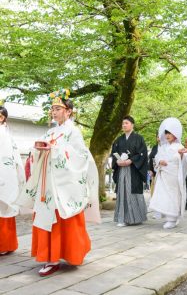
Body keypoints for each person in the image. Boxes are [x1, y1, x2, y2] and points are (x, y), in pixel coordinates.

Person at [17, 90, 100, 276]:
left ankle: (68, 254)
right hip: (48, 183)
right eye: (52, 109)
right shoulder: (51, 131)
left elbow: (80, 157)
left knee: (64, 217)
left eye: (58, 109)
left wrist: (56, 151)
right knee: (48, 216)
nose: (54, 112)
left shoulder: (74, 132)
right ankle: (51, 257)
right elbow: (43, 152)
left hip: (63, 184)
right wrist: (38, 150)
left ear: (68, 111)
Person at [149, 118, 186, 229]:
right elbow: (156, 158)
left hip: (173, 175)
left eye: (170, 133)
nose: (167, 135)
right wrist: (160, 161)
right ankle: (166, 216)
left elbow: (184, 161)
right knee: (164, 195)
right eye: (166, 133)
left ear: (175, 134)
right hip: (163, 174)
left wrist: (180, 155)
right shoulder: (162, 147)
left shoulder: (179, 147)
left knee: (173, 196)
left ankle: (172, 218)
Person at [112, 116, 148, 227]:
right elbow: (114, 153)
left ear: (132, 125)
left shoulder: (139, 138)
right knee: (122, 192)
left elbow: (142, 154)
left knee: (132, 192)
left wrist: (131, 160)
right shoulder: (119, 140)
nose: (124, 125)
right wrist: (117, 161)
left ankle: (137, 217)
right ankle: (122, 218)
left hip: (133, 170)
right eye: (123, 123)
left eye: (126, 123)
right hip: (122, 170)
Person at [0, 106, 25, 256]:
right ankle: (7, 244)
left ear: (2, 118)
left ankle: (4, 244)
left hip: (3, 175)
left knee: (3, 208)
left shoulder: (3, 134)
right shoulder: (6, 134)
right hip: (5, 175)